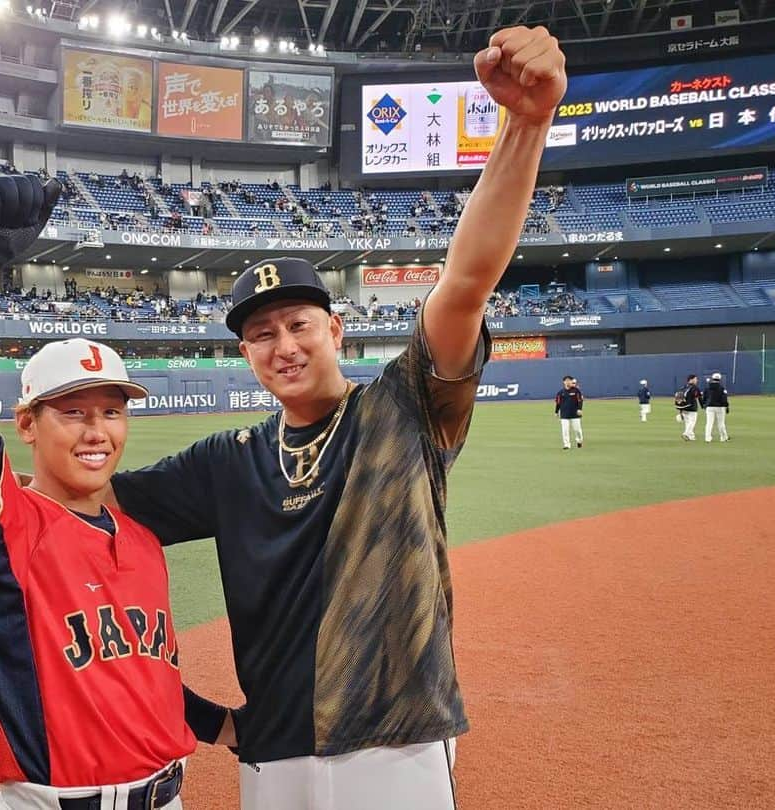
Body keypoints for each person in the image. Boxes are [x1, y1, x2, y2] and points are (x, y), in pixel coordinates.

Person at [99, 26, 566, 810]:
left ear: (335, 329)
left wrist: (526, 126)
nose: (282, 345)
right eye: (260, 333)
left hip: (397, 744)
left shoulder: (406, 405)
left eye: (298, 324)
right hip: (272, 754)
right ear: (245, 353)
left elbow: (465, 281)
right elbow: (93, 507)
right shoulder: (227, 460)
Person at [0, 174, 217, 810]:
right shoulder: (0, 530)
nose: (97, 431)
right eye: (72, 411)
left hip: (168, 796)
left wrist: (220, 724)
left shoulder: (140, 537)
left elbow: (137, 669)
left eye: (112, 411)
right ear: (27, 424)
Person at [555, 375, 584, 449]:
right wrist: (556, 412)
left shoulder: (576, 391)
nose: (568, 382)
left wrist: (580, 409)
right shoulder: (560, 393)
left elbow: (580, 401)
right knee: (565, 430)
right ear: (563, 382)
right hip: (564, 414)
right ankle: (567, 445)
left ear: (571, 381)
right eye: (566, 380)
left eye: (569, 380)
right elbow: (558, 403)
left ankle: (579, 441)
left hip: (575, 413)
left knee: (577, 430)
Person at [703, 372, 730, 443]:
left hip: (709, 407)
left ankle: (707, 438)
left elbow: (704, 397)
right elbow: (724, 398)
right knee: (721, 423)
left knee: (709, 423)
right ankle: (723, 437)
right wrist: (726, 406)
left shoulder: (707, 388)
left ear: (712, 378)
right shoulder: (722, 388)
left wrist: (705, 405)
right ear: (720, 379)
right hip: (719, 407)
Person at [675, 373, 702, 441]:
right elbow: (699, 397)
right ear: (691, 380)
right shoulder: (694, 388)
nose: (697, 380)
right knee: (692, 422)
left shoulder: (683, 387)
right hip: (691, 407)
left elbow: (679, 399)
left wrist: (680, 410)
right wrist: (703, 406)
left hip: (683, 408)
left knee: (687, 422)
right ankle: (686, 433)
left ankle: (691, 437)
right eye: (695, 379)